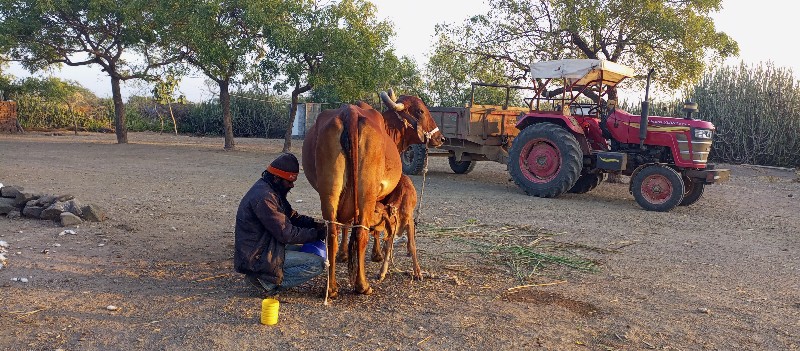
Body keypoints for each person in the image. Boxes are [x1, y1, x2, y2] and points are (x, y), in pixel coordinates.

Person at [234, 153, 327, 296]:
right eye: (289, 182)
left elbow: (291, 216)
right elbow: (286, 234)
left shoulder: (271, 189)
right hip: (257, 256)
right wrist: (317, 234)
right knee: (316, 264)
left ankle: (265, 276)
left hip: (265, 245)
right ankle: (265, 282)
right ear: (277, 178)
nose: (292, 185)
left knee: (303, 248)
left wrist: (314, 224)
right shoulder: (265, 198)